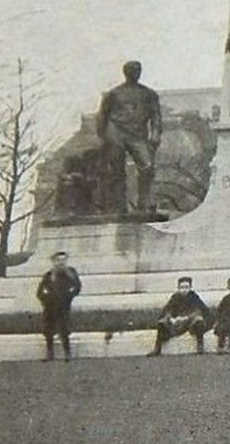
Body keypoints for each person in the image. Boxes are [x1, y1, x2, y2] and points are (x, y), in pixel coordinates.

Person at [95, 60, 163, 214]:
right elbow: (102, 116)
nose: (135, 73)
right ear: (125, 73)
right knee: (116, 169)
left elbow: (156, 116)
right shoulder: (113, 94)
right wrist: (102, 137)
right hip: (116, 132)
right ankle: (117, 205)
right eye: (132, 70)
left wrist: (155, 134)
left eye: (138, 70)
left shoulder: (149, 94)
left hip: (138, 134)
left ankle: (144, 203)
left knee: (147, 166)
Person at [36, 250, 82, 361]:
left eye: (63, 260)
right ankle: (50, 353)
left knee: (64, 329)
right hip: (50, 306)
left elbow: (77, 287)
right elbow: (40, 291)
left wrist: (69, 296)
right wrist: (46, 300)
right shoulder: (49, 275)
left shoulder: (71, 273)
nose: (61, 263)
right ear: (54, 262)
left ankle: (67, 353)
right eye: (58, 260)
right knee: (48, 330)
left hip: (64, 305)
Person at [150, 277, 211, 355]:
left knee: (199, 320)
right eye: (182, 287)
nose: (184, 290)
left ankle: (200, 347)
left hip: (190, 322)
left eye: (187, 287)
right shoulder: (175, 297)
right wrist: (171, 318)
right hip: (176, 322)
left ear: (190, 288)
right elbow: (168, 310)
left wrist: (187, 317)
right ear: (178, 288)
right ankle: (157, 348)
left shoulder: (194, 297)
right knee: (162, 322)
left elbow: (198, 310)